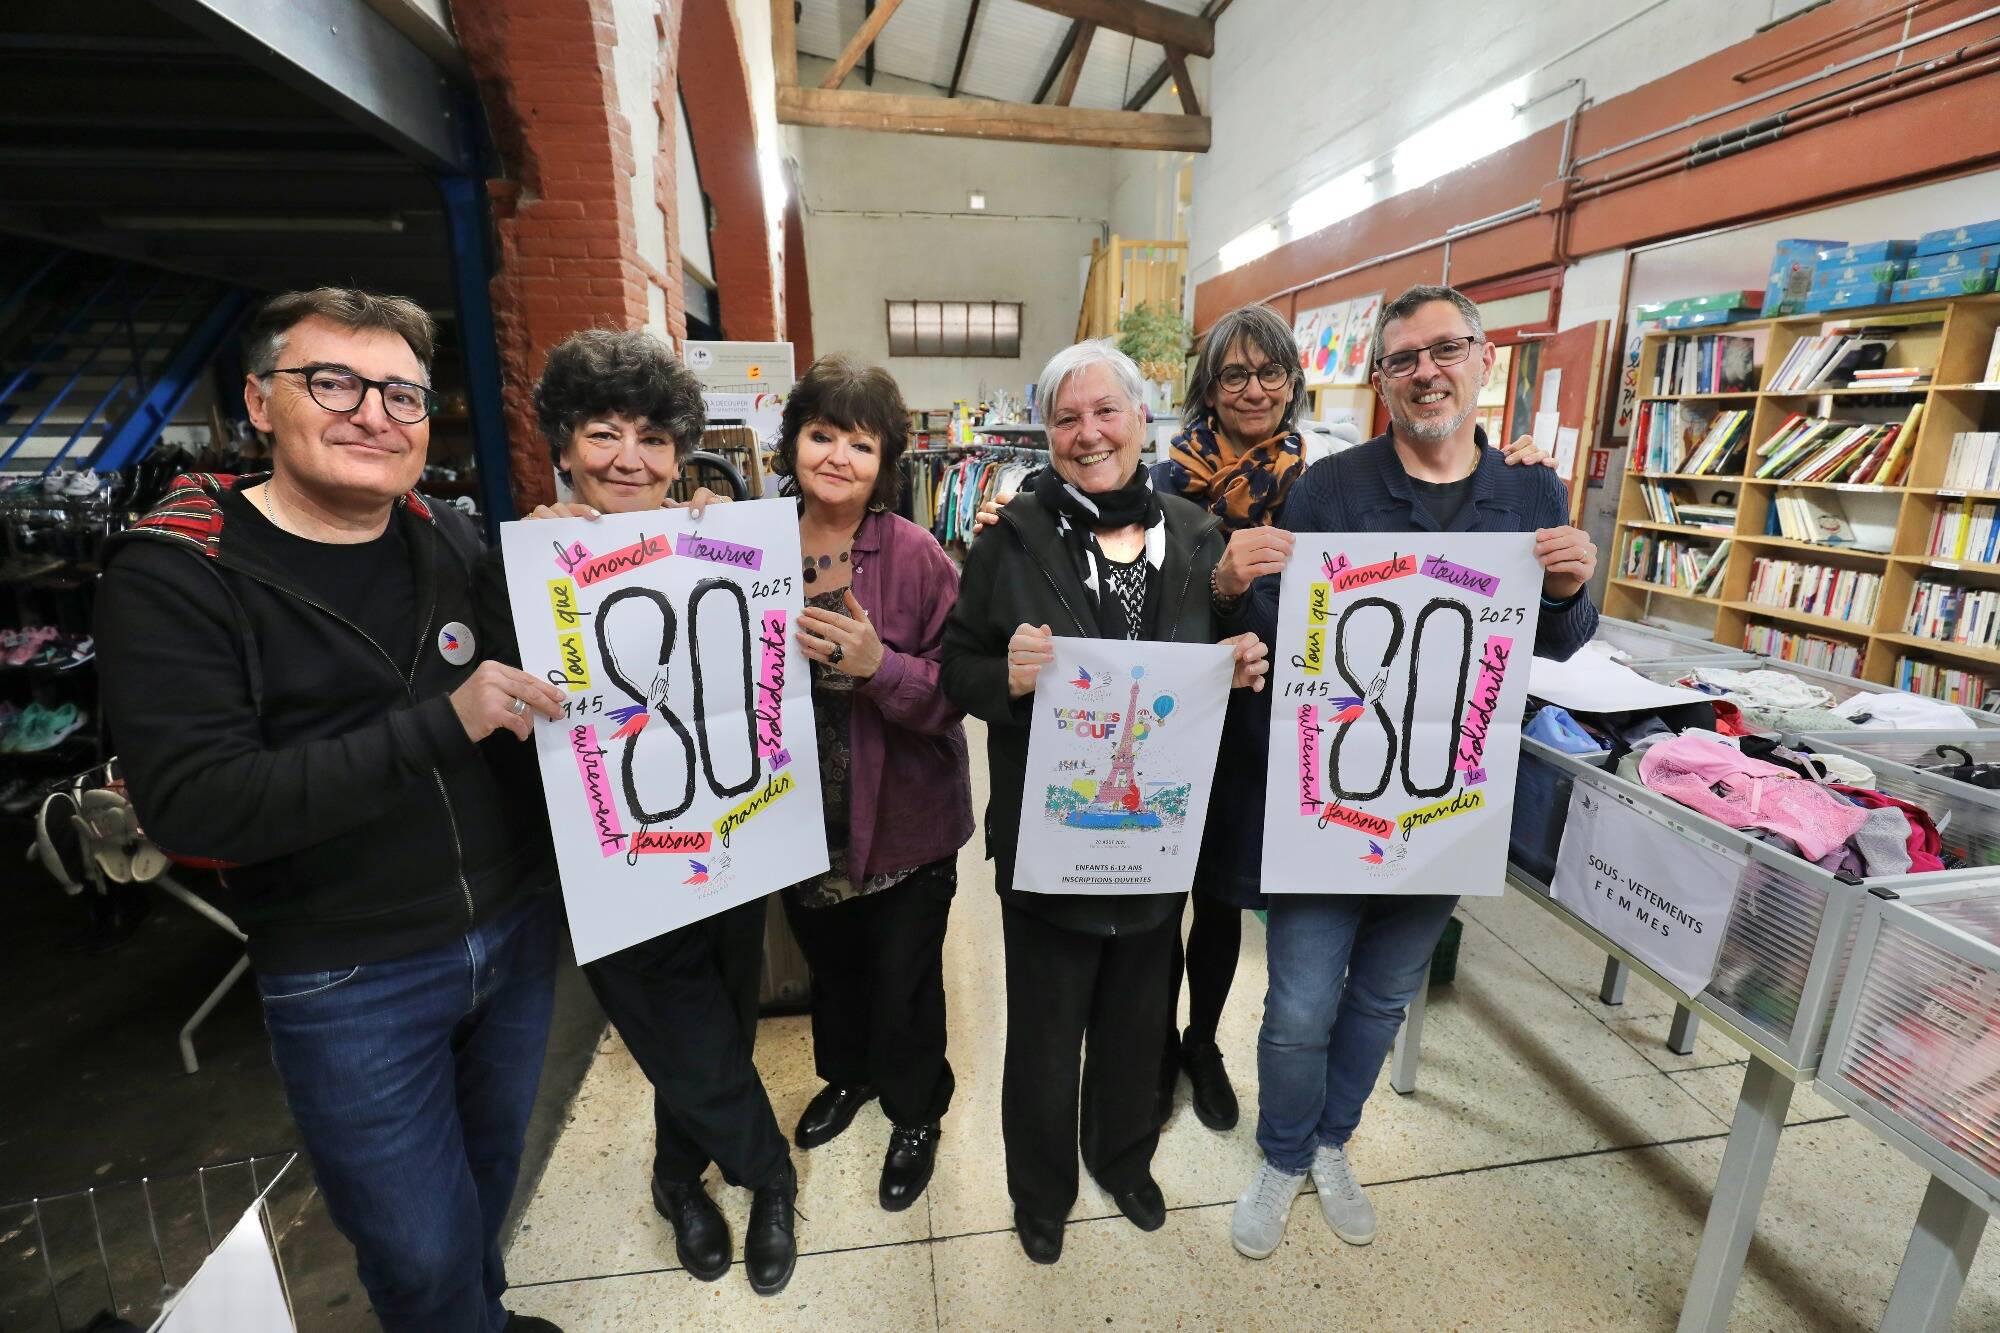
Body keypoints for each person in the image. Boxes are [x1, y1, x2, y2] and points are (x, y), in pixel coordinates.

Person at [94, 289, 567, 1333]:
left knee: (489, 1181)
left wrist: (578, 562)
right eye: (334, 383)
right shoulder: (179, 571)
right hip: (350, 969)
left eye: (401, 393)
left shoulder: (444, 535)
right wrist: (445, 723)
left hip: (510, 926)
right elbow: (199, 806)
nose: (374, 413)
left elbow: (544, 678)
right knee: (414, 1240)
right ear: (261, 402)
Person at [973, 306, 1558, 1134]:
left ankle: (1201, 1043)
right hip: (1189, 721)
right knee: (1176, 897)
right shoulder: (1163, 480)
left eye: (1271, 372)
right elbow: (1071, 508)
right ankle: (1153, 1052)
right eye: (1233, 375)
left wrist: (1516, 462)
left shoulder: (1327, 478)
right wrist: (1018, 511)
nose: (1254, 390)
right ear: (1206, 389)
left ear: (1294, 380)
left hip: (1306, 726)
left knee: (1228, 903)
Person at [1229, 283, 1599, 1261]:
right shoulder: (1330, 488)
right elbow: (1280, 623)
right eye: (1400, 359)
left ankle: (1330, 1143)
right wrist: (1245, 598)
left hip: (1446, 803)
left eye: (1444, 350)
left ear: (1482, 360)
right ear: (1380, 378)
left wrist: (1569, 586)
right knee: (1299, 1000)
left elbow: (1553, 641)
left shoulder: (1529, 492)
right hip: (1329, 798)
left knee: (1384, 996)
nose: (1424, 371)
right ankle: (1280, 1152)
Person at [468, 328, 802, 1297]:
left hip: (726, 837)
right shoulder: (518, 561)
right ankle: (768, 1176)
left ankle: (672, 1176)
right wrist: (543, 570)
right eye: (602, 433)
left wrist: (721, 536)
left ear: (678, 448)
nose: (628, 457)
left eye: (652, 438)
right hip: (607, 852)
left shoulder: (716, 532)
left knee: (719, 1021)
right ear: (563, 443)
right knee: (678, 1027)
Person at [941, 339, 1270, 1266]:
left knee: (1135, 1014)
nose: (1088, 434)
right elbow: (953, 666)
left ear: (1141, 419)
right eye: (1067, 418)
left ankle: (1122, 1155)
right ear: (1048, 434)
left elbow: (1225, 645)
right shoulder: (1008, 538)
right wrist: (1000, 674)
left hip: (1159, 838)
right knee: (1044, 1032)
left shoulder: (1196, 533)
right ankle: (1038, 1189)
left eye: (1105, 412)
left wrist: (1241, 660)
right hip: (1052, 839)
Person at [772, 355, 974, 1215]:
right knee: (836, 970)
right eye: (822, 434)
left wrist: (879, 665)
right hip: (796, 819)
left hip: (902, 822)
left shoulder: (919, 555)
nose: (838, 457)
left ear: (885, 459)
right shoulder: (747, 541)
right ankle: (848, 1076)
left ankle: (915, 1107)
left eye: (861, 442)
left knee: (905, 980)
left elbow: (961, 689)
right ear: (792, 443)